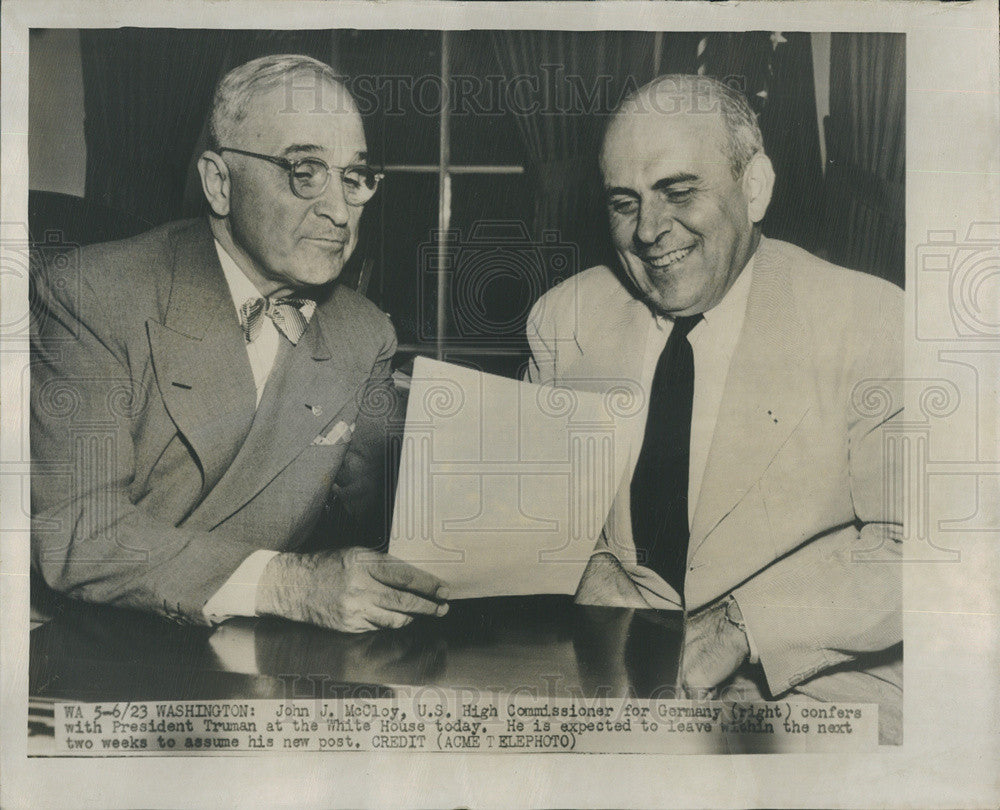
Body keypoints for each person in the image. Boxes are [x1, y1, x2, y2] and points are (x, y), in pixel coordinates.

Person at [526, 75, 902, 739]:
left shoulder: (873, 321)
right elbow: (529, 515)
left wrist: (744, 625)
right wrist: (583, 564)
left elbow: (926, 550)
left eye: (678, 191)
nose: (647, 230)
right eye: (624, 202)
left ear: (753, 188)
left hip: (814, 693)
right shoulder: (566, 319)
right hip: (613, 685)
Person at [30, 54, 449, 633]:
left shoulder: (364, 331)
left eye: (354, 177)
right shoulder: (93, 294)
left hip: (244, 649)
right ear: (220, 183)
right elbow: (78, 532)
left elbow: (387, 502)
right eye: (305, 170)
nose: (338, 210)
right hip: (93, 638)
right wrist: (291, 584)